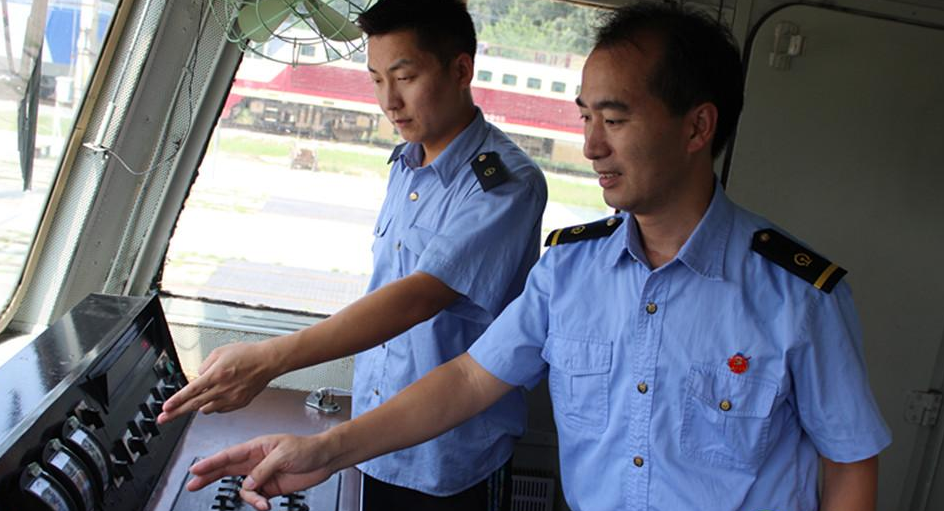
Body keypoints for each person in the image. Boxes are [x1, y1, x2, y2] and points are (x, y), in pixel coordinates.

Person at [183, 3, 892, 511]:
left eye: (613, 119)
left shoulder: (799, 296)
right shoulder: (569, 273)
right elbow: (466, 380)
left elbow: (850, 464)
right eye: (585, 116)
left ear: (697, 126)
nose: (589, 146)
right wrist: (325, 448)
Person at [157, 0, 547, 509]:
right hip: (371, 441)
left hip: (449, 460)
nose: (389, 100)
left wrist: (270, 359)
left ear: (461, 70)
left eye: (404, 77)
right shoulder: (406, 165)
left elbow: (415, 299)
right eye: (375, 79)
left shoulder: (503, 185)